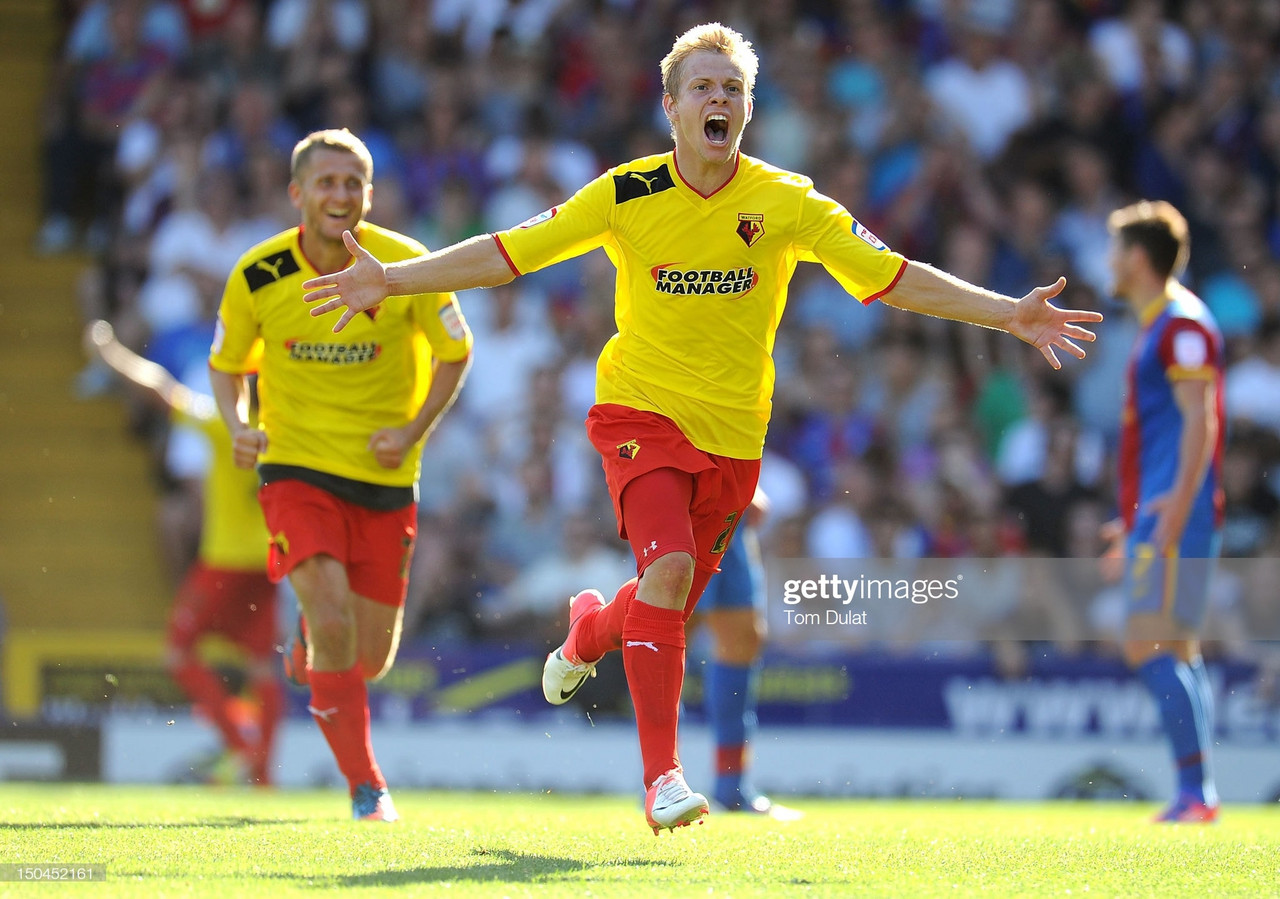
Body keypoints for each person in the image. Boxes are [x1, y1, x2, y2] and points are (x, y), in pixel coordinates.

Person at [301, 23, 1100, 833]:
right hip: (638, 414)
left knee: (663, 603)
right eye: (703, 88)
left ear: (747, 109)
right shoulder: (626, 193)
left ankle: (587, 631)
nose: (718, 99)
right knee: (672, 570)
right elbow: (510, 252)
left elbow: (892, 276)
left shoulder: (787, 200)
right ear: (671, 106)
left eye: (733, 90)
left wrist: (1009, 314)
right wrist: (392, 280)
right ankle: (663, 781)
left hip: (732, 440)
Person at [208, 129, 473, 821]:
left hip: (385, 478)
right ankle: (367, 786)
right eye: (326, 182)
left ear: (370, 194)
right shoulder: (258, 273)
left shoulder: (408, 263)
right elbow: (228, 363)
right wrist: (239, 424)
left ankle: (313, 653)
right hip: (295, 469)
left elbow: (455, 351)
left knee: (369, 657)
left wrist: (413, 431)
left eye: (353, 183)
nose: (340, 194)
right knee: (330, 619)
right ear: (297, 193)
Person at [85, 319, 283, 786]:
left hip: (225, 561)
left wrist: (111, 353)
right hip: (271, 564)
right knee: (260, 667)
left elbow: (160, 388)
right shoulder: (288, 438)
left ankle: (240, 745)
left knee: (178, 654)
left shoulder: (223, 427)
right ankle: (262, 775)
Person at [1103, 200, 1224, 823]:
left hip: (1177, 509)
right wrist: (1132, 524)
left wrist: (1173, 507)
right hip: (1167, 508)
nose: (1109, 260)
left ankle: (1193, 790)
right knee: (1176, 649)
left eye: (1116, 248)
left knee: (1143, 642)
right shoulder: (1163, 325)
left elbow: (1198, 419)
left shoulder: (1180, 326)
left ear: (1139, 258)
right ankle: (1197, 793)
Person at [692, 487, 801, 819]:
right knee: (664, 635)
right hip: (683, 508)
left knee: (744, 640)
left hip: (731, 516)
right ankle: (658, 781)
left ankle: (732, 786)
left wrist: (746, 487)